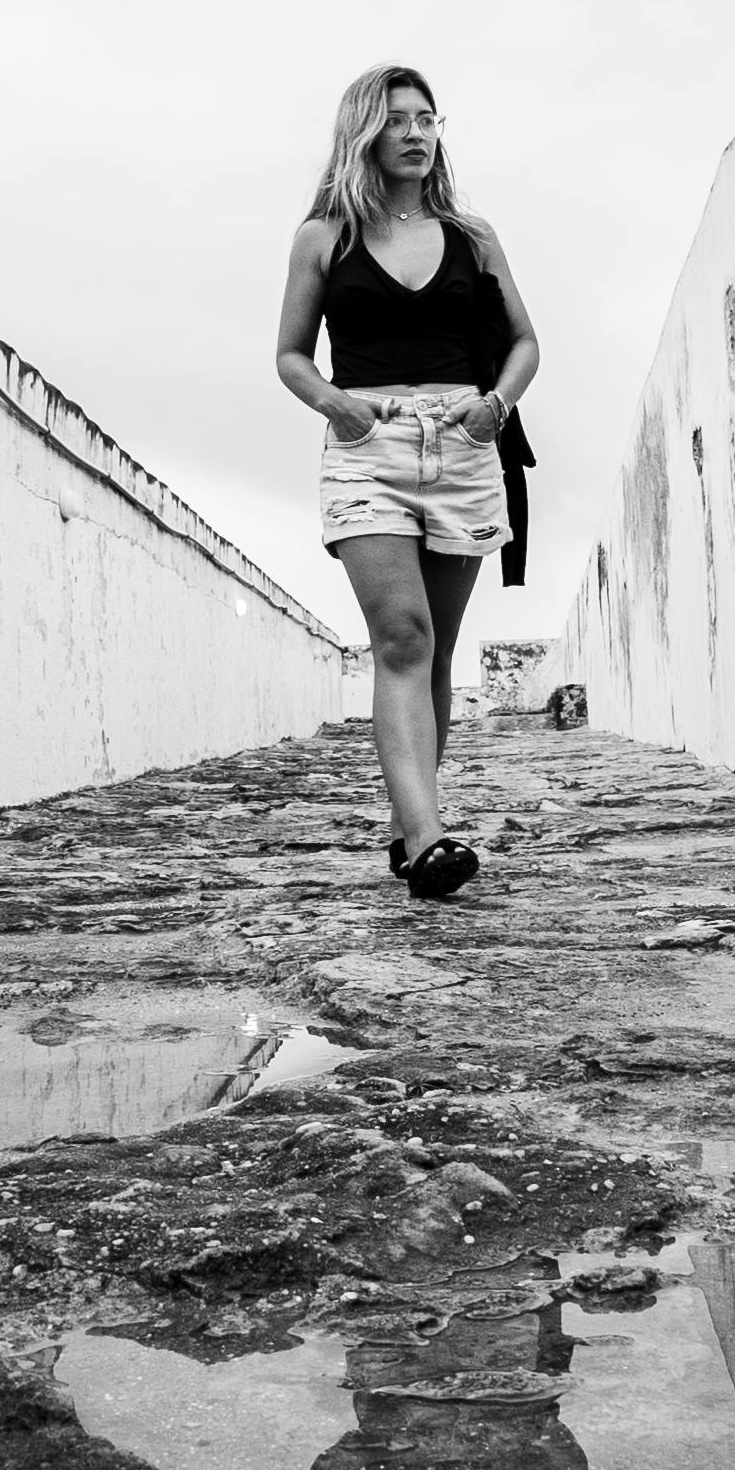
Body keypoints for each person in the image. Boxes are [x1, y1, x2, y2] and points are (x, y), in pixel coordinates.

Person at [275, 63, 539, 900]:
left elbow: (526, 342)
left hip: (463, 446)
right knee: (402, 637)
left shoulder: (474, 235)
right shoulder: (324, 237)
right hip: (369, 449)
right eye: (399, 120)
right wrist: (337, 406)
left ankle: (407, 819)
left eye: (429, 119)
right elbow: (289, 354)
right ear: (366, 132)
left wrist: (496, 404)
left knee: (436, 655)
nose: (418, 133)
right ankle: (428, 835)